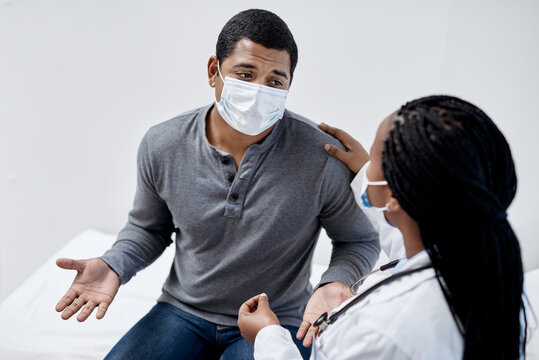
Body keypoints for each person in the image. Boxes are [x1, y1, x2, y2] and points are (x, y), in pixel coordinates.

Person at [54, 9, 380, 360]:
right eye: (245, 74)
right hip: (183, 311)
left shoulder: (322, 156)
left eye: (274, 81)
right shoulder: (162, 144)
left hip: (276, 320)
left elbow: (358, 239)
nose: (259, 91)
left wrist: (335, 281)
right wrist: (115, 263)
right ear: (214, 71)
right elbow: (149, 228)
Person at [238, 95, 528, 359]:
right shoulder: (492, 277)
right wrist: (366, 167)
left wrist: (267, 336)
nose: (368, 168)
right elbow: (407, 242)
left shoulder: (382, 332)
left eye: (375, 159)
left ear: (394, 195)